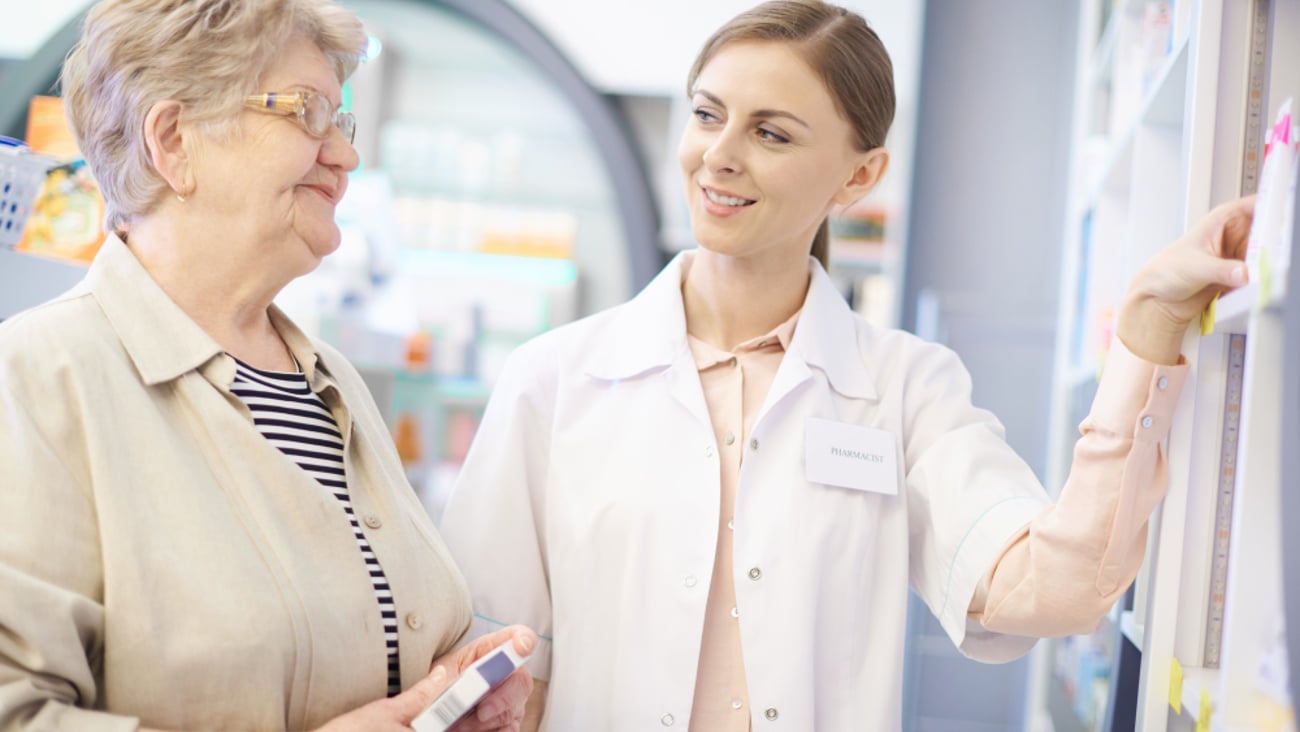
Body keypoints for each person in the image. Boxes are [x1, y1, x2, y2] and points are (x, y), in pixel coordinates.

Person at [439, 1, 1256, 730]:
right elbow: (485, 656)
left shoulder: (905, 389)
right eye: (707, 115)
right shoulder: (555, 379)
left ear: (859, 175)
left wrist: (1146, 327)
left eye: (770, 132)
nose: (718, 155)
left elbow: (1053, 590)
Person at [0, 1, 536, 730]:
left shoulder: (332, 382)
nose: (345, 155)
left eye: (339, 120)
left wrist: (448, 692)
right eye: (307, 112)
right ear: (174, 141)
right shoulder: (35, 380)